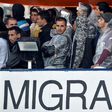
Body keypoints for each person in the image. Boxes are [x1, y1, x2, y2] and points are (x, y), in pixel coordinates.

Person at [70, 2, 98, 68]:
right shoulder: (90, 23)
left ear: (83, 12)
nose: (77, 12)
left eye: (78, 10)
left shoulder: (81, 20)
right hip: (88, 55)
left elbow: (80, 45)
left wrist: (75, 65)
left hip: (82, 58)